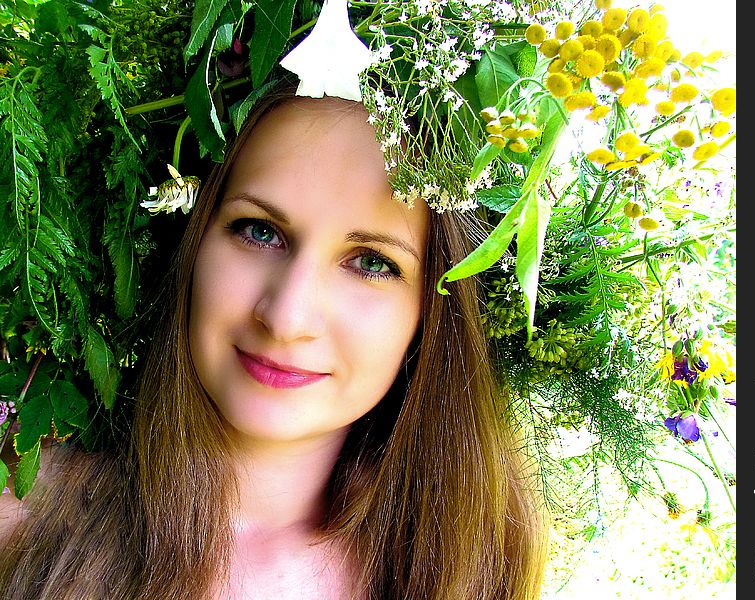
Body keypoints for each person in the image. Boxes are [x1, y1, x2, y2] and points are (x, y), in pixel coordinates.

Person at [0, 88, 547, 598]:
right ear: (190, 243)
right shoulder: (18, 515)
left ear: (433, 311)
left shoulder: (475, 563)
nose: (287, 318)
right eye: (259, 230)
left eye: (372, 263)